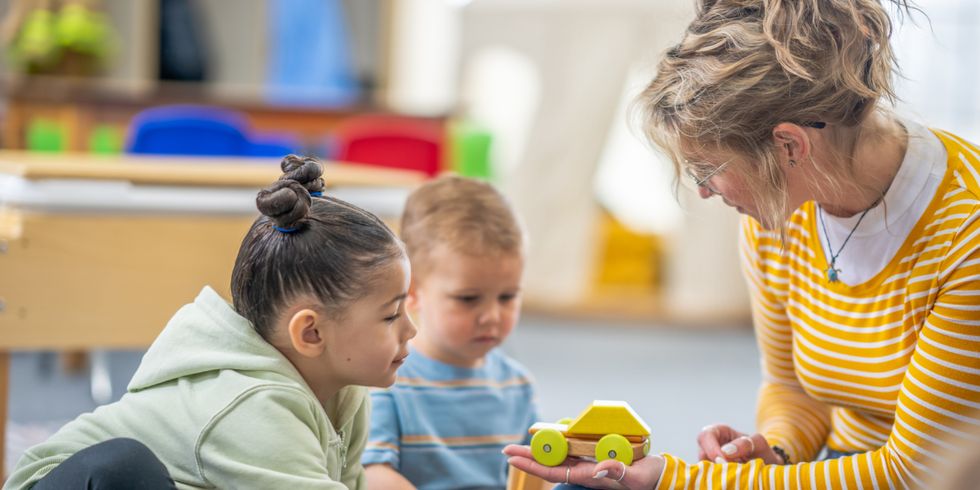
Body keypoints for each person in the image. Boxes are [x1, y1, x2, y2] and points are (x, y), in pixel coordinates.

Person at [504, 0, 980, 487]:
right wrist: (776, 448)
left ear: (790, 146)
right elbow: (793, 388)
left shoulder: (967, 239)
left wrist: (674, 480)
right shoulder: (781, 207)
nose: (705, 192)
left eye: (708, 171)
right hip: (847, 466)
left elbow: (916, 472)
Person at [4, 155, 417, 490]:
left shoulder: (345, 394)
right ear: (311, 333)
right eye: (391, 315)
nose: (411, 329)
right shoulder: (249, 406)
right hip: (74, 482)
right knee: (121, 466)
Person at [362, 175, 539, 489]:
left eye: (507, 297)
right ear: (412, 289)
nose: (492, 316)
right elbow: (373, 475)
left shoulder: (517, 384)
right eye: (468, 299)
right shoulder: (385, 380)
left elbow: (534, 475)